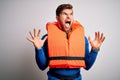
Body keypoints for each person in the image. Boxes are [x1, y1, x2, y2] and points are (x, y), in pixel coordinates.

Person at [27, 4, 105, 80]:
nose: (68, 16)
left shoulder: (82, 39)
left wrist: (95, 50)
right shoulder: (47, 38)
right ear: (57, 18)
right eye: (65, 14)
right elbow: (42, 66)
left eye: (71, 14)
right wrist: (38, 49)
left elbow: (87, 66)